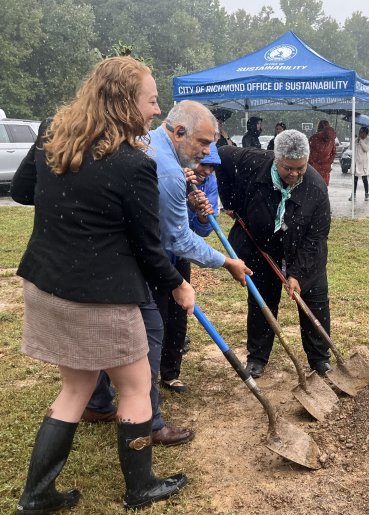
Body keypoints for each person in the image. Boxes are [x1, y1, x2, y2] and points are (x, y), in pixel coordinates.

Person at [10, 56, 195, 513]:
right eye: (151, 101)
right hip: (98, 298)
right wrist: (179, 286)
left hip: (46, 284)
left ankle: (36, 496)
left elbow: (22, 191)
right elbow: (151, 250)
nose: (156, 111)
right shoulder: (132, 164)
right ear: (123, 102)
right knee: (134, 387)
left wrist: (74, 204)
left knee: (75, 390)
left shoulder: (56, 131)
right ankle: (141, 486)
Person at [84, 101, 250, 445]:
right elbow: (177, 239)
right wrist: (226, 262)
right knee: (150, 336)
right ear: (178, 132)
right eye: (203, 144)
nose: (208, 153)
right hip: (136, 265)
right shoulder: (169, 174)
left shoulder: (148, 143)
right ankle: (151, 422)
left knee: (110, 333)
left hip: (109, 259)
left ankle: (99, 402)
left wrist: (199, 212)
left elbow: (185, 231)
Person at [217, 129, 332, 378]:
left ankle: (320, 359)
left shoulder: (316, 189)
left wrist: (297, 274)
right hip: (261, 244)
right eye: (288, 168)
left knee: (315, 300)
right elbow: (221, 156)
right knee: (262, 301)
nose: (294, 174)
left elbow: (316, 238)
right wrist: (231, 202)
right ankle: (257, 357)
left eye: (300, 168)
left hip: (302, 247)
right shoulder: (251, 161)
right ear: (276, 160)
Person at [159, 143, 221, 394]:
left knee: (178, 315)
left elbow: (204, 229)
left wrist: (202, 214)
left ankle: (170, 373)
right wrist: (181, 190)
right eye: (203, 164)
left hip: (179, 255)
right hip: (154, 254)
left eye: (212, 166)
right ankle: (145, 379)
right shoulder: (172, 173)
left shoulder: (208, 183)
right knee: (154, 316)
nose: (207, 170)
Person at [308, 119, 337, 186]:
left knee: (314, 188)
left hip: (314, 168)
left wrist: (312, 163)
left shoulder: (313, 138)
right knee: (323, 188)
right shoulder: (331, 140)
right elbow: (334, 153)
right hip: (325, 169)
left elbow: (309, 152)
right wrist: (328, 162)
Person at [349, 126, 369, 201]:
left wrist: (361, 141)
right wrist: (355, 139)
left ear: (366, 133)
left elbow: (366, 149)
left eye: (362, 132)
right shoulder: (356, 140)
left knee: (364, 179)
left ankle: (366, 194)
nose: (360, 134)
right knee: (355, 179)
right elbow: (351, 148)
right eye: (360, 132)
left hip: (364, 162)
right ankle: (353, 194)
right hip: (356, 162)